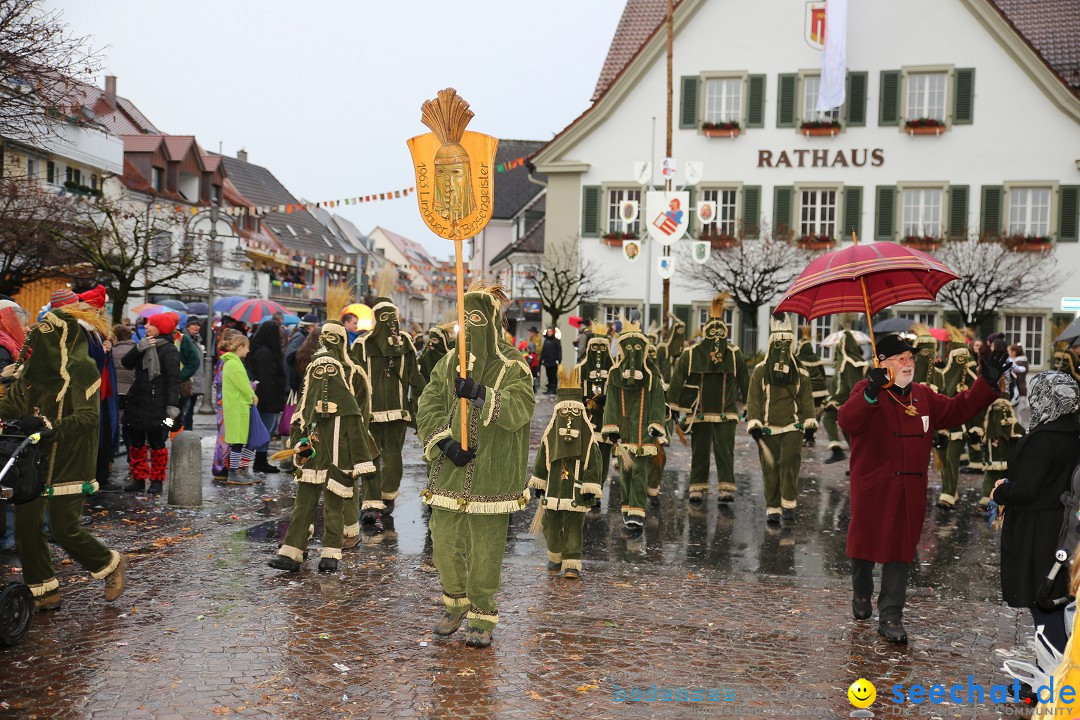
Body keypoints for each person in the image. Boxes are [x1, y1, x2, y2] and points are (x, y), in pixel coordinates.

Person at [839, 333, 1005, 644]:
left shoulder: (923, 395)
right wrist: (872, 392)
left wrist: (987, 382)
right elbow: (848, 421)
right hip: (874, 488)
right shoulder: (866, 390)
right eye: (901, 359)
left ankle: (890, 615)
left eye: (911, 359)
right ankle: (861, 593)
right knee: (864, 549)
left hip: (910, 491)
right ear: (883, 363)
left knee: (900, 552)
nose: (909, 364)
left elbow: (959, 409)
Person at [417, 281, 535, 648]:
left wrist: (482, 394)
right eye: (465, 319)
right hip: (450, 469)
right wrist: (444, 442)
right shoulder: (448, 361)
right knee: (444, 543)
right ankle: (456, 601)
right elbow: (428, 403)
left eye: (478, 318)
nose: (470, 326)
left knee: (485, 548)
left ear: (494, 321)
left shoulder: (513, 364)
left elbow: (520, 409)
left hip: (492, 474)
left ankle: (482, 614)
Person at [1, 301, 128, 610]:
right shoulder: (33, 370)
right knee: (26, 527)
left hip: (70, 458)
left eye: (48, 334)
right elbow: (13, 406)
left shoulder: (81, 369)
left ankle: (110, 564)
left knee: (63, 529)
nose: (40, 339)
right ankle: (43, 591)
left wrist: (48, 427)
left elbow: (88, 418)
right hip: (33, 460)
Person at [268, 318, 377, 572]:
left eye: (333, 338)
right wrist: (300, 446)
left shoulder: (354, 373)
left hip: (342, 447)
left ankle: (334, 548)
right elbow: (303, 413)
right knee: (304, 499)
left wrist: (357, 451)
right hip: (314, 447)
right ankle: (293, 550)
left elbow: (361, 412)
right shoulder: (315, 369)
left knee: (337, 498)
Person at [991, 371, 1080, 660]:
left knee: (1044, 602)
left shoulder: (1044, 438)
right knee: (1056, 600)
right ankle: (1052, 670)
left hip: (1038, 529)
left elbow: (1027, 490)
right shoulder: (1074, 433)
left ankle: (1051, 677)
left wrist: (1000, 492)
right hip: (1066, 527)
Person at [350, 297, 425, 524]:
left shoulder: (362, 343)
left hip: (370, 411)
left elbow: (355, 378)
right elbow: (415, 377)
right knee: (393, 454)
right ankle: (388, 495)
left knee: (372, 454)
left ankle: (372, 500)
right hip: (398, 410)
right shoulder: (406, 343)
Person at [667, 295, 748, 504]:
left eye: (720, 333)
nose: (716, 339)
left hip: (725, 413)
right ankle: (697, 486)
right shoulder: (692, 354)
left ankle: (725, 487)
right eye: (713, 333)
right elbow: (677, 378)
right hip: (699, 413)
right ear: (705, 333)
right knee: (700, 451)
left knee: (725, 451)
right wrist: (674, 405)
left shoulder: (733, 354)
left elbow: (745, 380)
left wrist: (749, 405)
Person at [528, 365, 602, 579]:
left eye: (574, 412)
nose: (569, 419)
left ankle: (572, 562)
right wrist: (540, 484)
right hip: (553, 491)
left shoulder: (588, 439)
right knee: (550, 524)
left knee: (573, 527)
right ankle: (555, 554)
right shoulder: (550, 436)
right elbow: (542, 460)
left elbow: (594, 463)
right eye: (564, 412)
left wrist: (590, 487)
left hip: (577, 490)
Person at [745, 314, 817, 525]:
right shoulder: (760, 371)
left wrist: (809, 423)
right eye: (779, 343)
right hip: (768, 429)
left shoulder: (801, 372)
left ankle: (788, 503)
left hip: (792, 427)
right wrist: (755, 423)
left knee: (789, 463)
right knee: (770, 469)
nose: (783, 348)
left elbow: (806, 399)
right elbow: (754, 400)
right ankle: (773, 507)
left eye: (787, 343)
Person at [601, 321, 667, 529]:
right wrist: (611, 427)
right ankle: (626, 506)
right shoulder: (614, 374)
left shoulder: (651, 376)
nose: (632, 353)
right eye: (628, 348)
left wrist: (656, 424)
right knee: (626, 471)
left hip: (645, 433)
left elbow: (657, 402)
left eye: (637, 348)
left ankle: (637, 511)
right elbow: (611, 403)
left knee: (640, 470)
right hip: (624, 433)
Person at [121, 312, 181, 495]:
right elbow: (126, 363)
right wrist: (138, 348)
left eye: (150, 324)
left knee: (157, 444)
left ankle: (156, 481)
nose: (145, 327)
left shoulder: (169, 350)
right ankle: (138, 478)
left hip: (159, 406)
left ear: (160, 328)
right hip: (138, 401)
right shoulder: (144, 345)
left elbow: (173, 381)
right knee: (137, 443)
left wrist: (172, 407)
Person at [935, 326, 980, 509]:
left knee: (952, 459)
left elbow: (976, 401)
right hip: (943, 424)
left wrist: (976, 428)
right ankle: (950, 490)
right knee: (944, 459)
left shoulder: (969, 373)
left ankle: (947, 495)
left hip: (960, 425)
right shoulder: (942, 371)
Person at [575, 322, 614, 493]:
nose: (598, 352)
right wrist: (581, 399)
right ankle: (584, 487)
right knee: (585, 457)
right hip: (585, 423)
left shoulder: (614, 371)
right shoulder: (579, 370)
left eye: (602, 347)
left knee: (603, 457)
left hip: (605, 423)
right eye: (595, 347)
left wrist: (609, 399)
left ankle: (598, 489)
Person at [822, 319, 867, 464]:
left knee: (829, 418)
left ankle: (838, 451)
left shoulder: (849, 363)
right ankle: (857, 460)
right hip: (845, 399)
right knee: (847, 430)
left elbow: (853, 385)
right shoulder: (848, 361)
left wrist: (835, 399)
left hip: (846, 400)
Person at [247, 322, 287, 475]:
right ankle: (260, 461)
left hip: (267, 398)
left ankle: (260, 460)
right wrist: (274, 401)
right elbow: (267, 379)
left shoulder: (262, 351)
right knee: (265, 431)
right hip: (267, 400)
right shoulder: (265, 353)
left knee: (266, 431)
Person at [220, 333, 258, 484]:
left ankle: (236, 471)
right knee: (238, 441)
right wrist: (253, 395)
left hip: (236, 406)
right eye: (247, 347)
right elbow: (243, 385)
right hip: (238, 407)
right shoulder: (234, 364)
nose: (248, 351)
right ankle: (234, 473)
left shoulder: (231, 362)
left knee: (239, 440)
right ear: (240, 347)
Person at [178, 318, 204, 431]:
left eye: (198, 325)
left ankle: (188, 432)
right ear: (187, 326)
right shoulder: (185, 340)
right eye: (193, 324)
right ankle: (182, 432)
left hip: (194, 381)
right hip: (188, 381)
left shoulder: (197, 340)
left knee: (189, 410)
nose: (196, 327)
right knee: (185, 410)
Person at [1008, 343, 1030, 424]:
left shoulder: (1019, 363)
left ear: (1014, 352)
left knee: (1016, 415)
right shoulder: (1019, 362)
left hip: (1019, 392)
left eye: (1009, 351)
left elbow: (1018, 379)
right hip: (1019, 391)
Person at [540, 328, 561, 394]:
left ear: (553, 332)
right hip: (547, 361)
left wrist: (559, 359)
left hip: (553, 361)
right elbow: (543, 351)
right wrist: (541, 359)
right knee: (548, 375)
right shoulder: (546, 341)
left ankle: (554, 389)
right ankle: (549, 389)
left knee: (553, 375)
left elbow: (559, 351)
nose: (549, 333)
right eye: (548, 331)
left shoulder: (556, 341)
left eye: (550, 331)